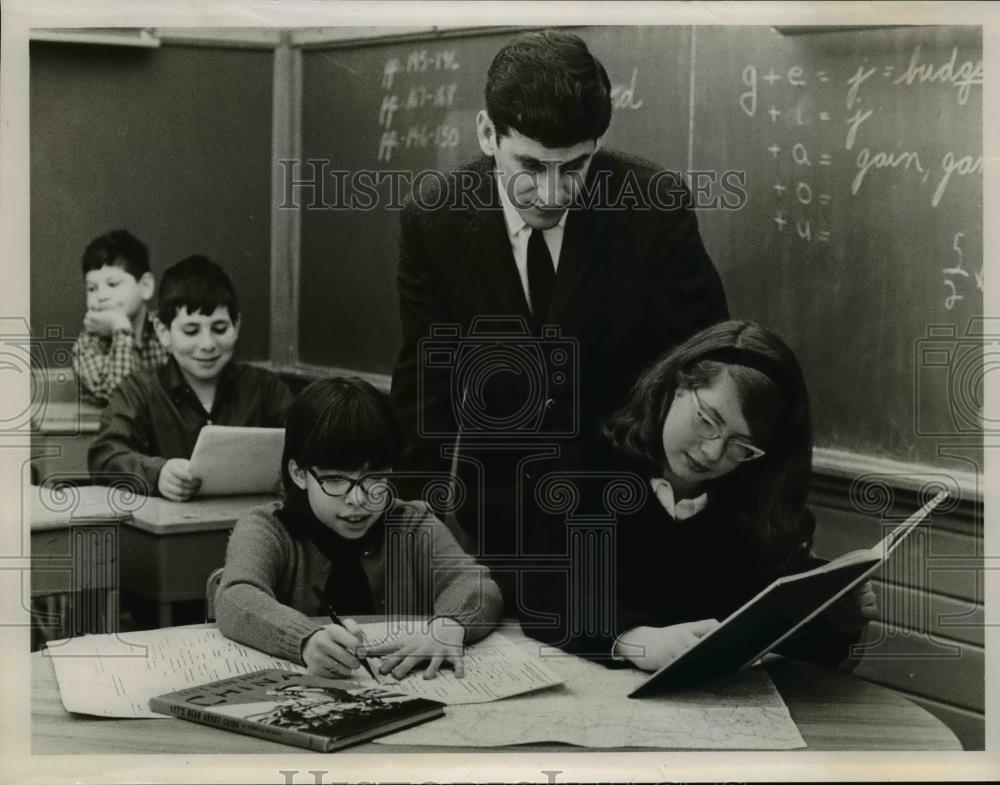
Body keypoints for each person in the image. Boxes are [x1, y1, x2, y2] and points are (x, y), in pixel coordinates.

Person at [390, 30, 728, 602]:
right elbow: (426, 381)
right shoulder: (435, 220)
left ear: (597, 144)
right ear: (486, 134)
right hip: (500, 516)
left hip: (635, 512)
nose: (552, 192)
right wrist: (415, 520)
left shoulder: (654, 205)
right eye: (531, 164)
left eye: (575, 166)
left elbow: (704, 365)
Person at [520, 320, 877, 672]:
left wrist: (840, 622)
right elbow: (544, 590)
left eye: (742, 447)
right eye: (707, 420)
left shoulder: (752, 510)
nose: (711, 452)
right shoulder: (589, 466)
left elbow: (785, 641)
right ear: (677, 384)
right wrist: (636, 639)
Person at [215, 377, 503, 680]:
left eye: (374, 478)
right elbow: (237, 595)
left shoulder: (412, 524)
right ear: (299, 473)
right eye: (336, 480)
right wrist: (305, 640)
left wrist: (448, 627)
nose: (359, 499)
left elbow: (477, 586)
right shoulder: (267, 528)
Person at [88, 255, 293, 500]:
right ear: (164, 332)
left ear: (236, 326)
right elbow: (105, 456)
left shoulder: (265, 388)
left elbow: (311, 444)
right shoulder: (139, 389)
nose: (207, 344)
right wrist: (158, 474)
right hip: (171, 532)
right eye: (191, 331)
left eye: (219, 329)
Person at [71, 229, 168, 404]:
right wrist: (121, 327)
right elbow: (123, 399)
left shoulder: (167, 331)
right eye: (92, 288)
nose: (101, 296)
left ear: (145, 286)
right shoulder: (87, 345)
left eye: (112, 284)